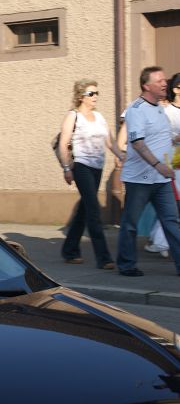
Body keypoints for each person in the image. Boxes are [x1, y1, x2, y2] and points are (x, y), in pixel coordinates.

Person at [115, 66, 180, 277]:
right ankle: (126, 265)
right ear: (146, 85)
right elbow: (139, 143)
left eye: (165, 80)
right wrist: (158, 165)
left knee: (172, 221)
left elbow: (159, 138)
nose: (165, 83)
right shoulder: (136, 110)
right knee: (130, 224)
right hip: (139, 179)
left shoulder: (160, 108)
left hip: (161, 179)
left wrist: (173, 143)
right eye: (159, 80)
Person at [57, 79, 121, 269]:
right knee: (93, 210)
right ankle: (104, 258)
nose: (95, 97)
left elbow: (110, 142)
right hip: (81, 166)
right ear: (81, 97)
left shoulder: (99, 117)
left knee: (85, 208)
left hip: (97, 166)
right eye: (91, 94)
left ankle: (69, 250)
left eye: (96, 93)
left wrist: (122, 155)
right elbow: (63, 143)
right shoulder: (73, 116)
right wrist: (67, 168)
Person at [145, 72, 180, 257]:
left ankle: (161, 240)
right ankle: (160, 241)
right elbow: (161, 136)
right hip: (173, 165)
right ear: (176, 89)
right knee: (172, 206)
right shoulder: (167, 112)